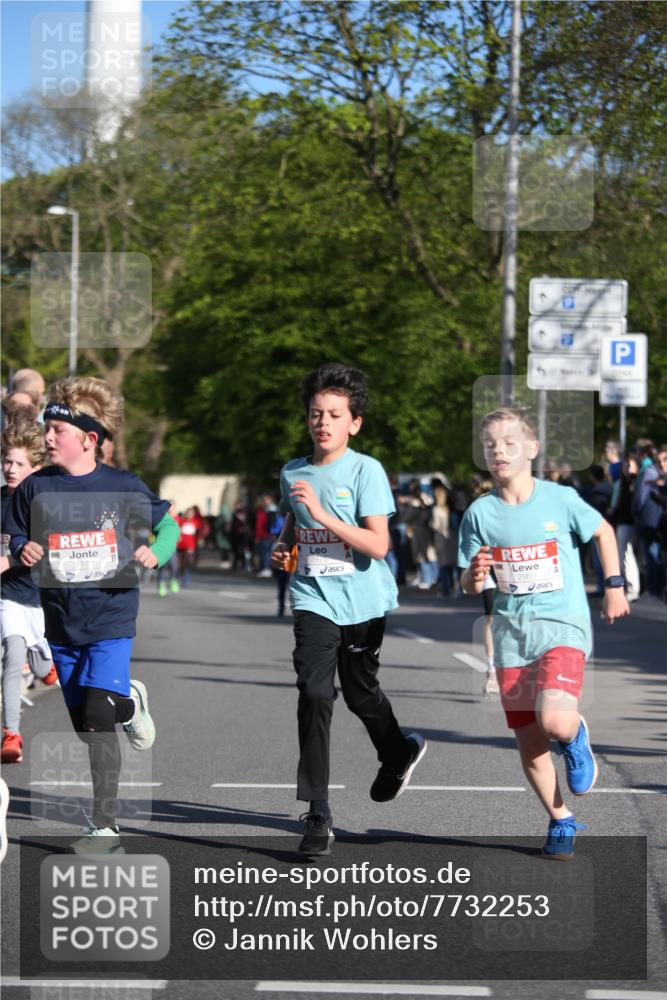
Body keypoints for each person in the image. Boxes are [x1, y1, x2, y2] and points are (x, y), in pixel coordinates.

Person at [5, 377, 179, 854]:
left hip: (111, 618)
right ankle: (131, 702)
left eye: (57, 429)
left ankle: (105, 827)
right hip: (61, 621)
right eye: (46, 427)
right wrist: (23, 548)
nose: (48, 437)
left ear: (89, 439)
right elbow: (15, 535)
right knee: (87, 723)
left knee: (98, 721)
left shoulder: (122, 487)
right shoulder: (35, 489)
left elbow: (167, 525)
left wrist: (156, 553)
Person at [458, 407, 629, 860]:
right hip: (513, 637)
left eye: (510, 443)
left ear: (531, 449)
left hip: (562, 626)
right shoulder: (480, 513)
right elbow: (469, 582)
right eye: (492, 445)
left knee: (554, 721)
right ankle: (561, 820)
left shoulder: (559, 499)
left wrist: (614, 586)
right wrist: (475, 575)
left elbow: (605, 532)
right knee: (531, 743)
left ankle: (573, 737)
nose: (500, 452)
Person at [271, 363, 426, 856]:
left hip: (362, 601)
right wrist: (284, 544)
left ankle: (399, 749)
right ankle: (317, 811)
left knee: (360, 695)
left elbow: (378, 545)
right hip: (313, 598)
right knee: (315, 694)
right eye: (316, 413)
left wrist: (321, 515)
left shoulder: (366, 471)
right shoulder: (293, 471)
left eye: (334, 414)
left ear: (353, 422)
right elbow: (294, 525)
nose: (323, 422)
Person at [1, 422, 58, 764]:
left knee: (43, 665)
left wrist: (10, 559)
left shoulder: (43, 504)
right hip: (7, 597)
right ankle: (11, 734)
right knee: (12, 657)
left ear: (35, 468)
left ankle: (47, 668)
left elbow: (49, 549)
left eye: (19, 464)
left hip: (39, 597)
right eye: (7, 461)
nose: (10, 469)